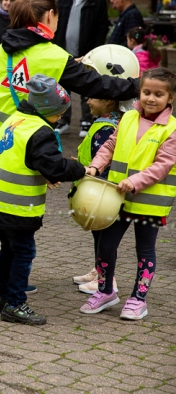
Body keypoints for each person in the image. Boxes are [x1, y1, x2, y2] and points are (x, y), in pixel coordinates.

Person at [0, 0, 140, 293]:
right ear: (49, 16)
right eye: (57, 16)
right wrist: (137, 86)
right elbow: (96, 84)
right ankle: (8, 281)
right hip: (18, 144)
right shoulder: (52, 55)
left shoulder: (5, 43)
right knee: (13, 214)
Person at [0, 75, 86, 325]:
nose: (60, 118)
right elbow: (55, 167)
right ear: (47, 109)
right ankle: (16, 303)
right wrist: (78, 169)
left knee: (7, 249)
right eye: (58, 113)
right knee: (24, 253)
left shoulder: (15, 119)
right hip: (19, 207)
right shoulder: (41, 132)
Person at [81, 68, 176, 320]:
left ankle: (138, 299)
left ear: (171, 98)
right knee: (105, 246)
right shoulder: (128, 118)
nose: (151, 98)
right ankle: (105, 291)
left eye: (158, 94)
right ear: (139, 92)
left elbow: (162, 165)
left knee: (145, 250)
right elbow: (110, 145)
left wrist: (133, 182)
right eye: (146, 92)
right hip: (117, 199)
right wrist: (96, 165)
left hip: (149, 204)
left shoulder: (172, 129)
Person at [71, 96, 121, 295]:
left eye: (93, 98)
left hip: (100, 192)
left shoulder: (106, 128)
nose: (88, 102)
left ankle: (108, 278)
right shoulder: (101, 124)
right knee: (97, 235)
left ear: (108, 101)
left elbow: (105, 159)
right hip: (94, 187)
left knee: (104, 237)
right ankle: (98, 270)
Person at [53, 0, 110, 137]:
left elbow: (102, 27)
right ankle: (63, 121)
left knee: (87, 87)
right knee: (63, 87)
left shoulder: (97, 1)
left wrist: (95, 50)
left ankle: (87, 121)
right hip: (64, 51)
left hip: (87, 52)